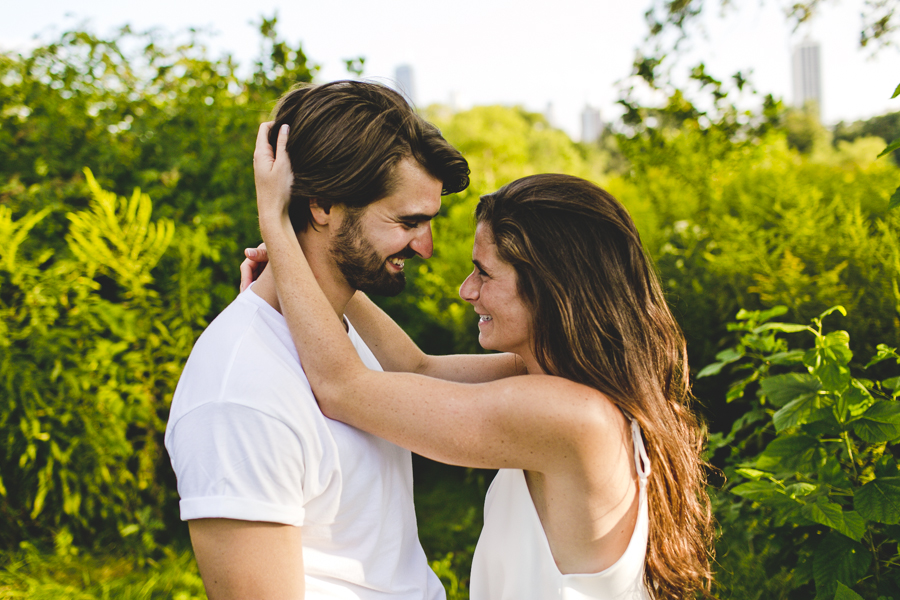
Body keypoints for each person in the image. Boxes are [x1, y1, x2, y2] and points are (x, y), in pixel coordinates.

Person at [251, 124, 715, 599]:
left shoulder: (567, 415)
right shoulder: (558, 379)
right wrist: (306, 271)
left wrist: (278, 222)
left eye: (484, 273)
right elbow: (415, 370)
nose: (466, 290)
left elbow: (342, 388)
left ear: (553, 289)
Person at [164, 81, 508, 600]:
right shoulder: (238, 393)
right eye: (407, 221)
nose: (427, 247)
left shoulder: (341, 331)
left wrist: (285, 254)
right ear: (322, 204)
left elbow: (420, 373)